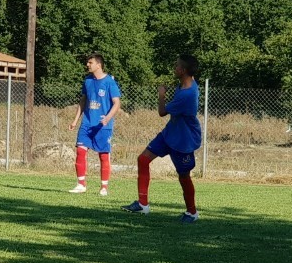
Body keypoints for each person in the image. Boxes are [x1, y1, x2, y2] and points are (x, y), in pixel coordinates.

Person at [122, 54, 202, 223]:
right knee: (143, 159)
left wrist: (161, 95)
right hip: (169, 134)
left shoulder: (186, 94)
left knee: (184, 176)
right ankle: (143, 204)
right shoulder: (187, 83)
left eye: (177, 65)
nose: (174, 67)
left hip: (183, 140)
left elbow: (162, 112)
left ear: (184, 70)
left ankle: (192, 213)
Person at [67, 53, 122, 196]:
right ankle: (81, 184)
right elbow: (83, 101)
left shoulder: (109, 82)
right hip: (87, 123)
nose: (87, 64)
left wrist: (107, 118)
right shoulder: (88, 81)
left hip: (103, 125)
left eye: (90, 62)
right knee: (80, 151)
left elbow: (117, 103)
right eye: (87, 62)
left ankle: (104, 187)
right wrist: (75, 120)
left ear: (99, 65)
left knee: (103, 155)